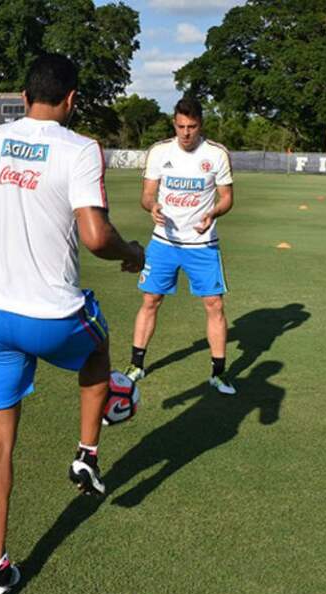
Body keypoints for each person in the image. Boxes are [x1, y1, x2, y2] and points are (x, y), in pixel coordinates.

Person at [0, 53, 143, 594]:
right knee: (100, 345)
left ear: (23, 98)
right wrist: (132, 253)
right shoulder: (80, 148)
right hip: (54, 317)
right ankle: (86, 453)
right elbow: (96, 237)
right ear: (71, 100)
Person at [124, 98, 236, 395]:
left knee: (214, 304)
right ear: (174, 124)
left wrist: (213, 212)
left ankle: (218, 374)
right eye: (181, 126)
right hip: (164, 242)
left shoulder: (216, 154)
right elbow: (147, 195)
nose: (186, 133)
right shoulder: (160, 151)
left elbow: (227, 198)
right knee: (151, 300)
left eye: (192, 127)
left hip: (202, 244)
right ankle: (136, 365)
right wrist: (152, 206)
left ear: (201, 124)